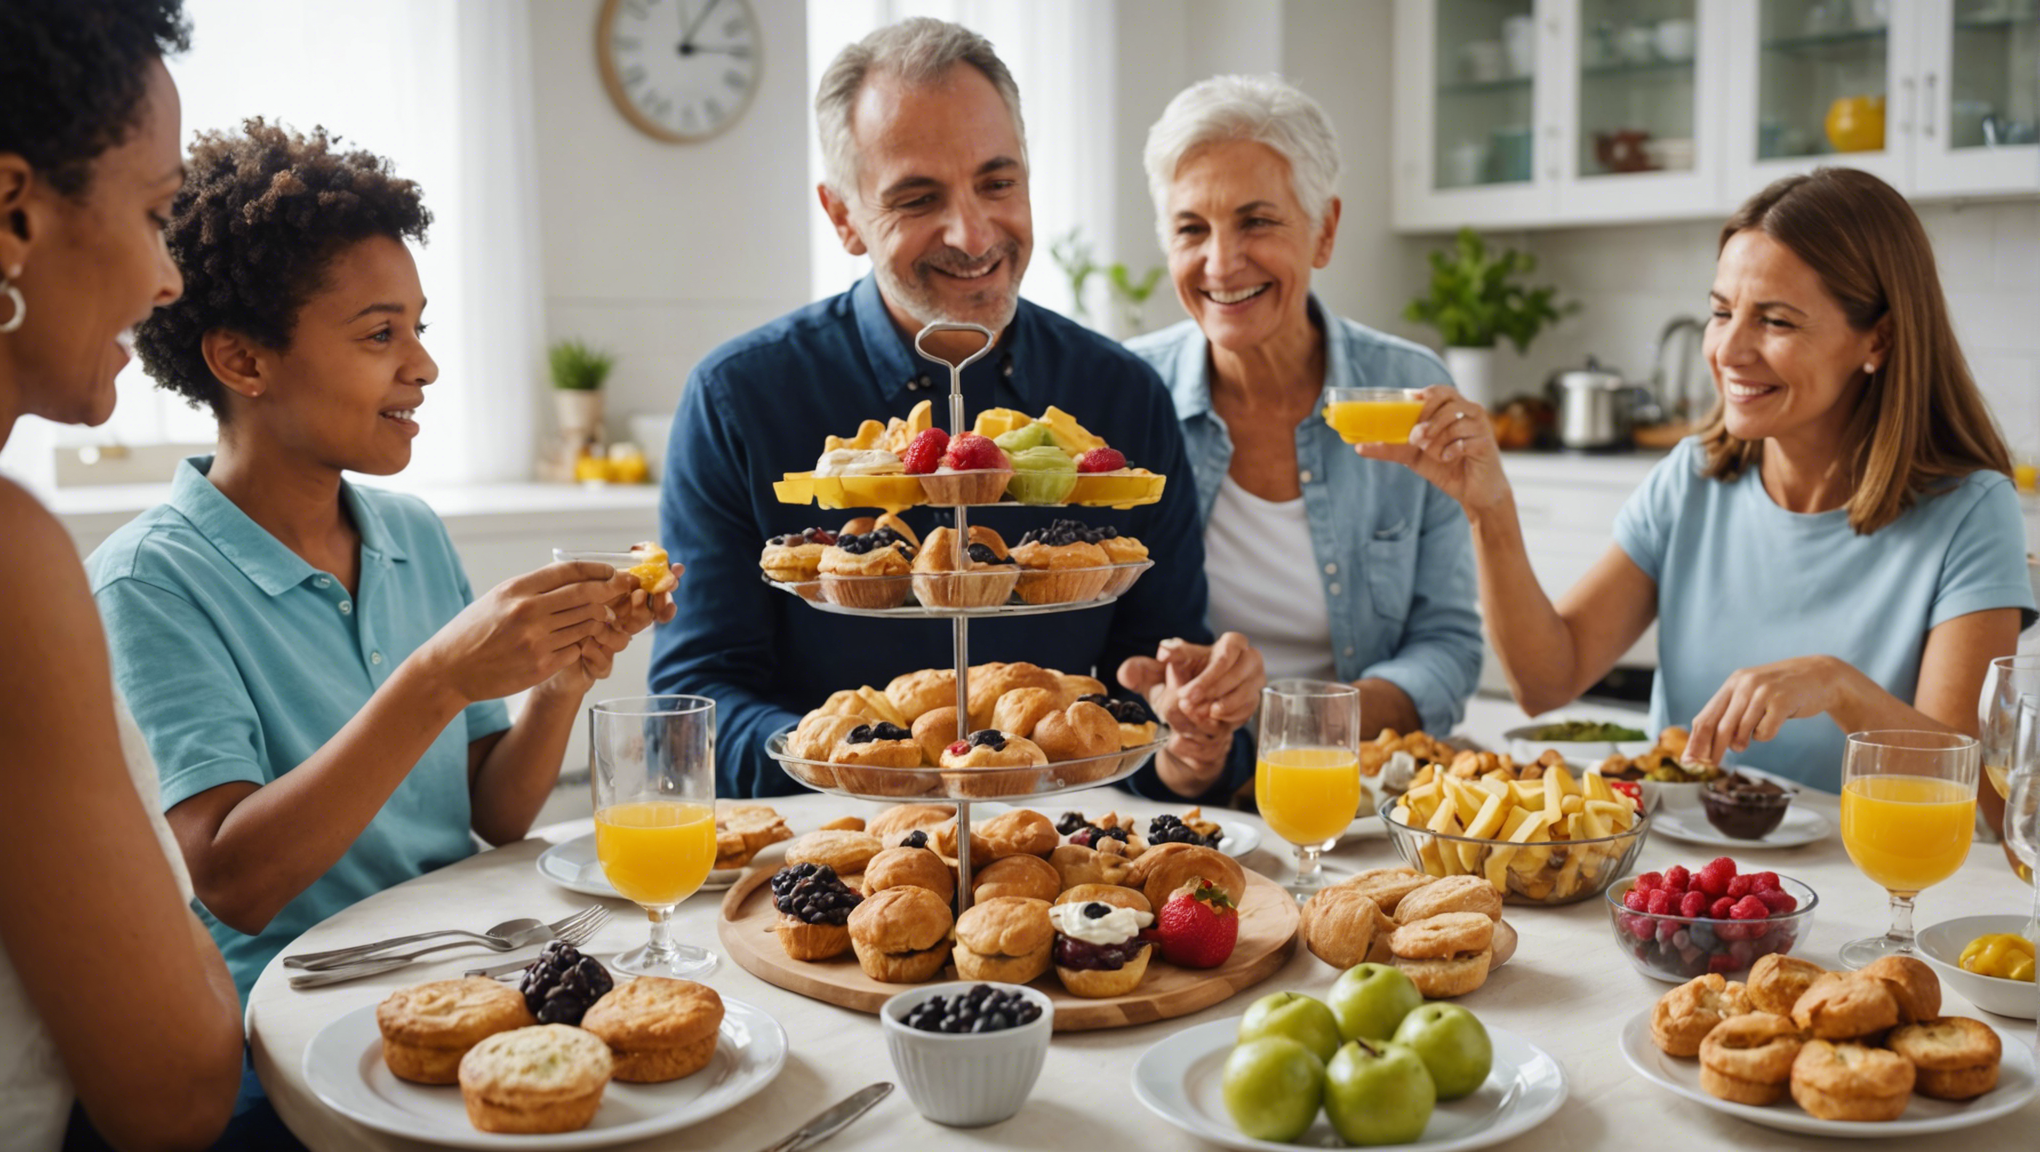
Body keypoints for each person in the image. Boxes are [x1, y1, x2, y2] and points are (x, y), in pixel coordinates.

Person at [89, 121, 673, 1012]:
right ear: (243, 360)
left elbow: (494, 813)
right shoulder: (150, 583)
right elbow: (233, 882)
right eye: (379, 334)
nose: (424, 364)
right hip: (293, 1012)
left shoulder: (410, 533)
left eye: (419, 328)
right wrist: (437, 680)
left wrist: (564, 674)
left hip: (462, 971)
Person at [652, 17, 1263, 802]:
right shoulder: (739, 398)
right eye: (918, 198)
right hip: (826, 842)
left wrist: (1191, 739)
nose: (973, 234)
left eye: (997, 183)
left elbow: (1149, 682)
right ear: (842, 216)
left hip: (1060, 844)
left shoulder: (1121, 396)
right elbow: (697, 706)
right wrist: (869, 763)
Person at [1366, 168, 2035, 790]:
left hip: (1864, 869)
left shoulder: (1970, 511)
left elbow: (1971, 785)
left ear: (1878, 341)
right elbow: (1546, 681)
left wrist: (1838, 686)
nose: (1728, 350)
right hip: (1681, 866)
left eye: (1775, 320)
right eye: (1721, 312)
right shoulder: (1692, 479)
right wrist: (1489, 508)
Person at [0, 2, 243, 1148]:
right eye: (154, 216)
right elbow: (177, 1091)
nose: (165, 279)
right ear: (12, 213)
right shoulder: (17, 558)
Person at [1127, 76, 1482, 740]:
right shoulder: (1129, 394)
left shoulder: (1409, 388)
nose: (1221, 264)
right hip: (1181, 778)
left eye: (1256, 222)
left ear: (1324, 231)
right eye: (1191, 229)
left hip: (1358, 774)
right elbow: (1105, 641)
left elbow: (1447, 646)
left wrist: (1291, 723)